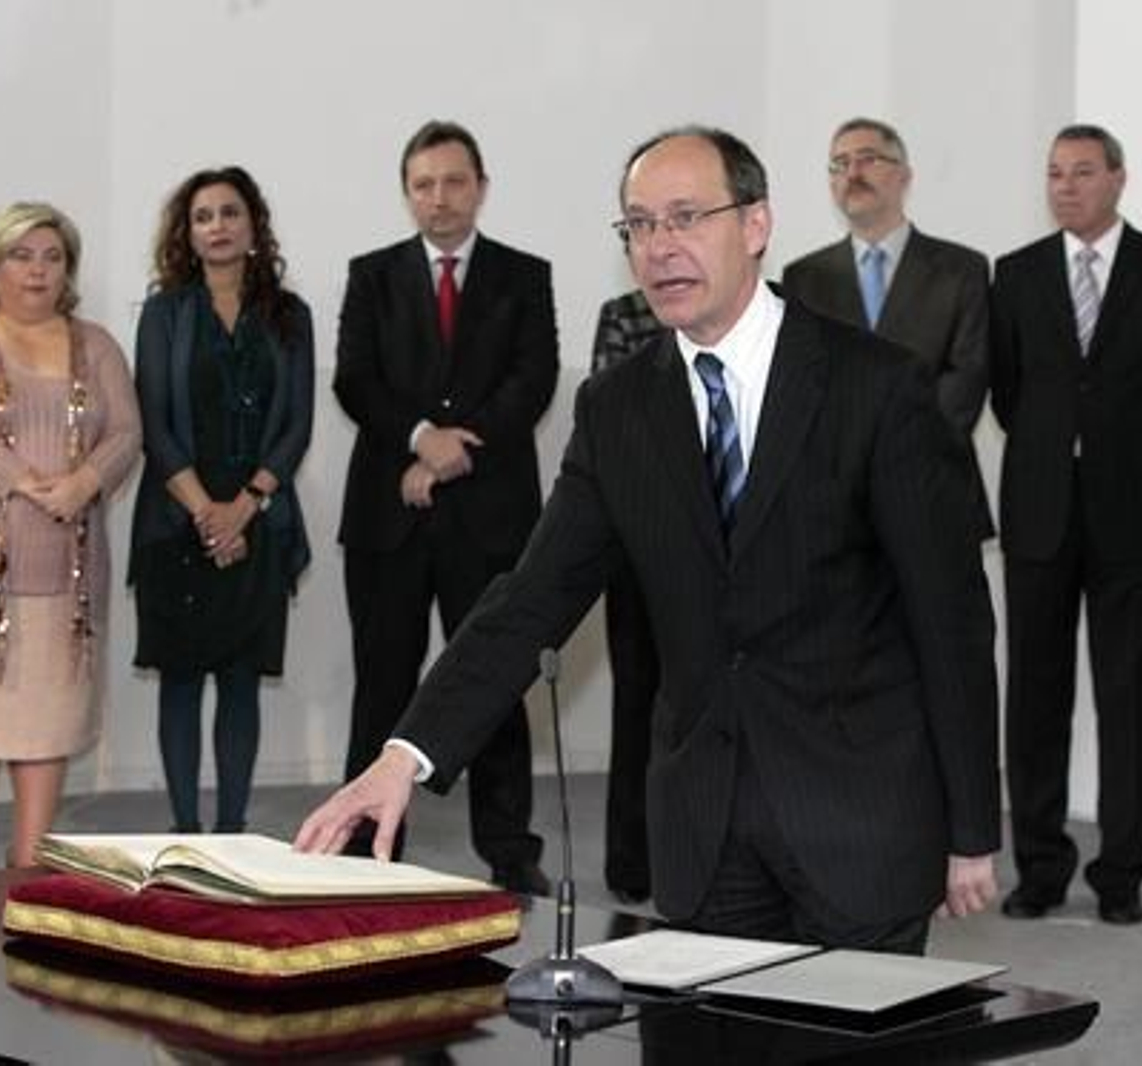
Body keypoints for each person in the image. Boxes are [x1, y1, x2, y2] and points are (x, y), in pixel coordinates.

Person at [302, 126, 1000, 955]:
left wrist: (970, 827)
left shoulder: (877, 385)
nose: (660, 247)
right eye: (638, 225)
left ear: (755, 225)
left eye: (685, 218)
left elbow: (949, 616)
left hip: (859, 819)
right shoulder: (618, 410)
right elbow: (530, 600)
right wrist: (403, 757)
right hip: (706, 832)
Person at [990, 125, 1142, 925]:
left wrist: (1135, 458)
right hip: (1040, 511)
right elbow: (1008, 395)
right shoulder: (1015, 273)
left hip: (1134, 513)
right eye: (1054, 173)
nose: (1065, 186)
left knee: (1126, 698)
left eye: (1082, 172)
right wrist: (1065, 453)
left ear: (1119, 178)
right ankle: (1042, 868)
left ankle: (1120, 875)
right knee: (1034, 699)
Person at [333, 120, 558, 896]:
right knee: (383, 680)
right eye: (424, 183)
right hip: (387, 521)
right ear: (407, 193)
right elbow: (354, 381)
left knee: (492, 680)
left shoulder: (524, 275)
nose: (440, 197)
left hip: (490, 515)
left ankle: (508, 845)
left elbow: (533, 382)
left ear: (481, 187)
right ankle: (362, 841)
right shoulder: (372, 275)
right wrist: (422, 439)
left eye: (455, 181)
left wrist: (457, 452)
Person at [0, 203, 141, 873]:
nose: (37, 270)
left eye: (52, 256)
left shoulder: (95, 343)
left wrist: (86, 482)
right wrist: (28, 481)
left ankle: (25, 872)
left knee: (47, 727)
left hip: (64, 585)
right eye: (22, 255)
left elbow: (126, 432)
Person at [128, 166, 313, 834]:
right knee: (180, 679)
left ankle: (232, 833)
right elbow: (153, 420)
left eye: (229, 213)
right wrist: (209, 511)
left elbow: (297, 425)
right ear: (187, 231)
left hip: (259, 522)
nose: (217, 227)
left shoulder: (290, 315)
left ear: (253, 223)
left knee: (240, 681)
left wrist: (247, 506)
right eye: (202, 216)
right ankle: (185, 832)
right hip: (177, 522)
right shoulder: (163, 312)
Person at [781, 117, 991, 535]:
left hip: (935, 486)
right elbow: (800, 381)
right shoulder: (803, 278)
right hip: (836, 498)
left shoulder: (961, 269)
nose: (852, 174)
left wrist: (897, 451)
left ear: (904, 175)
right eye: (838, 164)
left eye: (867, 159)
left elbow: (968, 376)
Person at [590, 289, 666, 904]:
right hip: (640, 547)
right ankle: (632, 859)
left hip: (730, 549)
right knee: (636, 704)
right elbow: (611, 423)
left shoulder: (765, 315)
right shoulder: (624, 316)